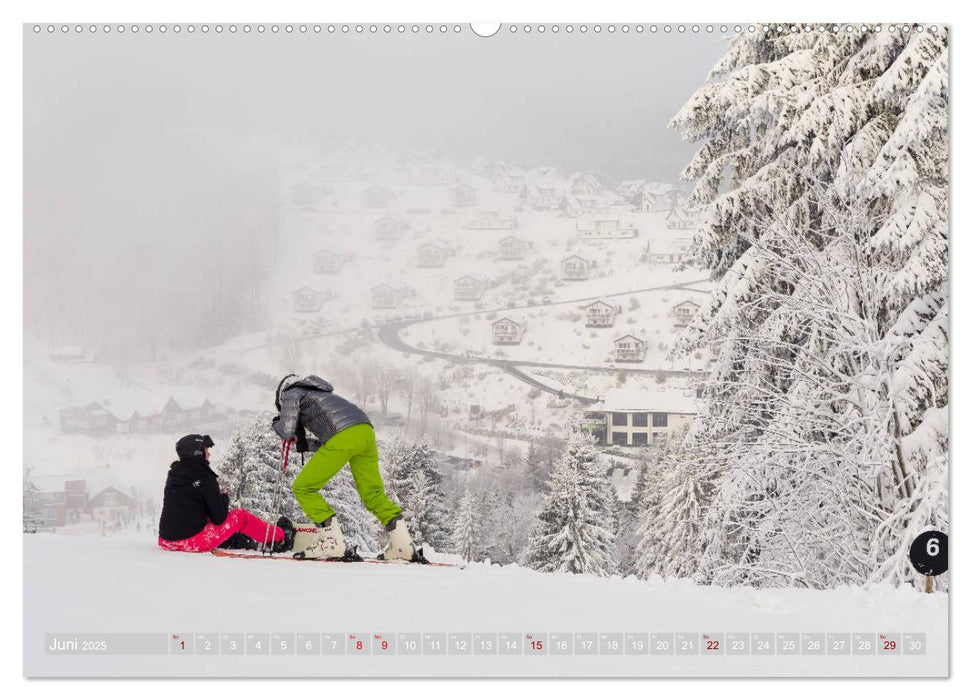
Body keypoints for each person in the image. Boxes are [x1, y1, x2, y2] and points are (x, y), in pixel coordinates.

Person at [272, 374, 416, 561]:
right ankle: (403, 546)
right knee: (373, 494)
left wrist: (276, 423)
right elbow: (332, 443)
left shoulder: (291, 392)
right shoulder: (321, 396)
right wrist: (303, 443)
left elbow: (287, 429)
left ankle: (331, 542)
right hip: (365, 432)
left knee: (303, 487)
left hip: (344, 436)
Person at [158, 434, 296, 553]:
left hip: (166, 541)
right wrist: (224, 497)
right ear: (197, 453)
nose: (209, 453)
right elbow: (219, 518)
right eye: (205, 450)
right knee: (241, 516)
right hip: (190, 543)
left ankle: (235, 540)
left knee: (201, 516)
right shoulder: (206, 477)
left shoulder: (174, 473)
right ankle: (281, 537)